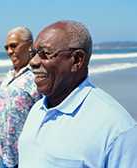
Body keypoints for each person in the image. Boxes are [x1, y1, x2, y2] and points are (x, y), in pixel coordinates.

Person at [18, 20, 137, 168]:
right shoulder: (37, 110)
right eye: (33, 53)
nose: (33, 62)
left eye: (44, 53)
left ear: (77, 60)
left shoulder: (117, 128)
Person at [0, 27, 41, 168]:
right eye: (6, 47)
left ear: (29, 45)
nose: (9, 51)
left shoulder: (38, 74)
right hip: (6, 155)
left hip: (27, 157)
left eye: (14, 46)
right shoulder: (10, 73)